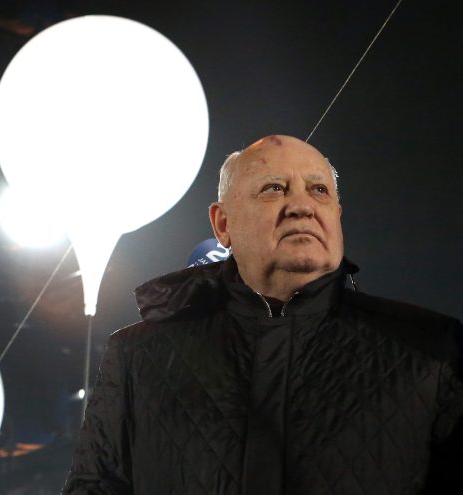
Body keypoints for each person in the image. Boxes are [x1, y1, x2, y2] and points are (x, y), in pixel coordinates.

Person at [62, 135, 463, 495]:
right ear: (223, 224)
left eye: (319, 189)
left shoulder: (432, 350)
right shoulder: (137, 358)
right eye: (274, 188)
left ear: (337, 217)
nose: (302, 206)